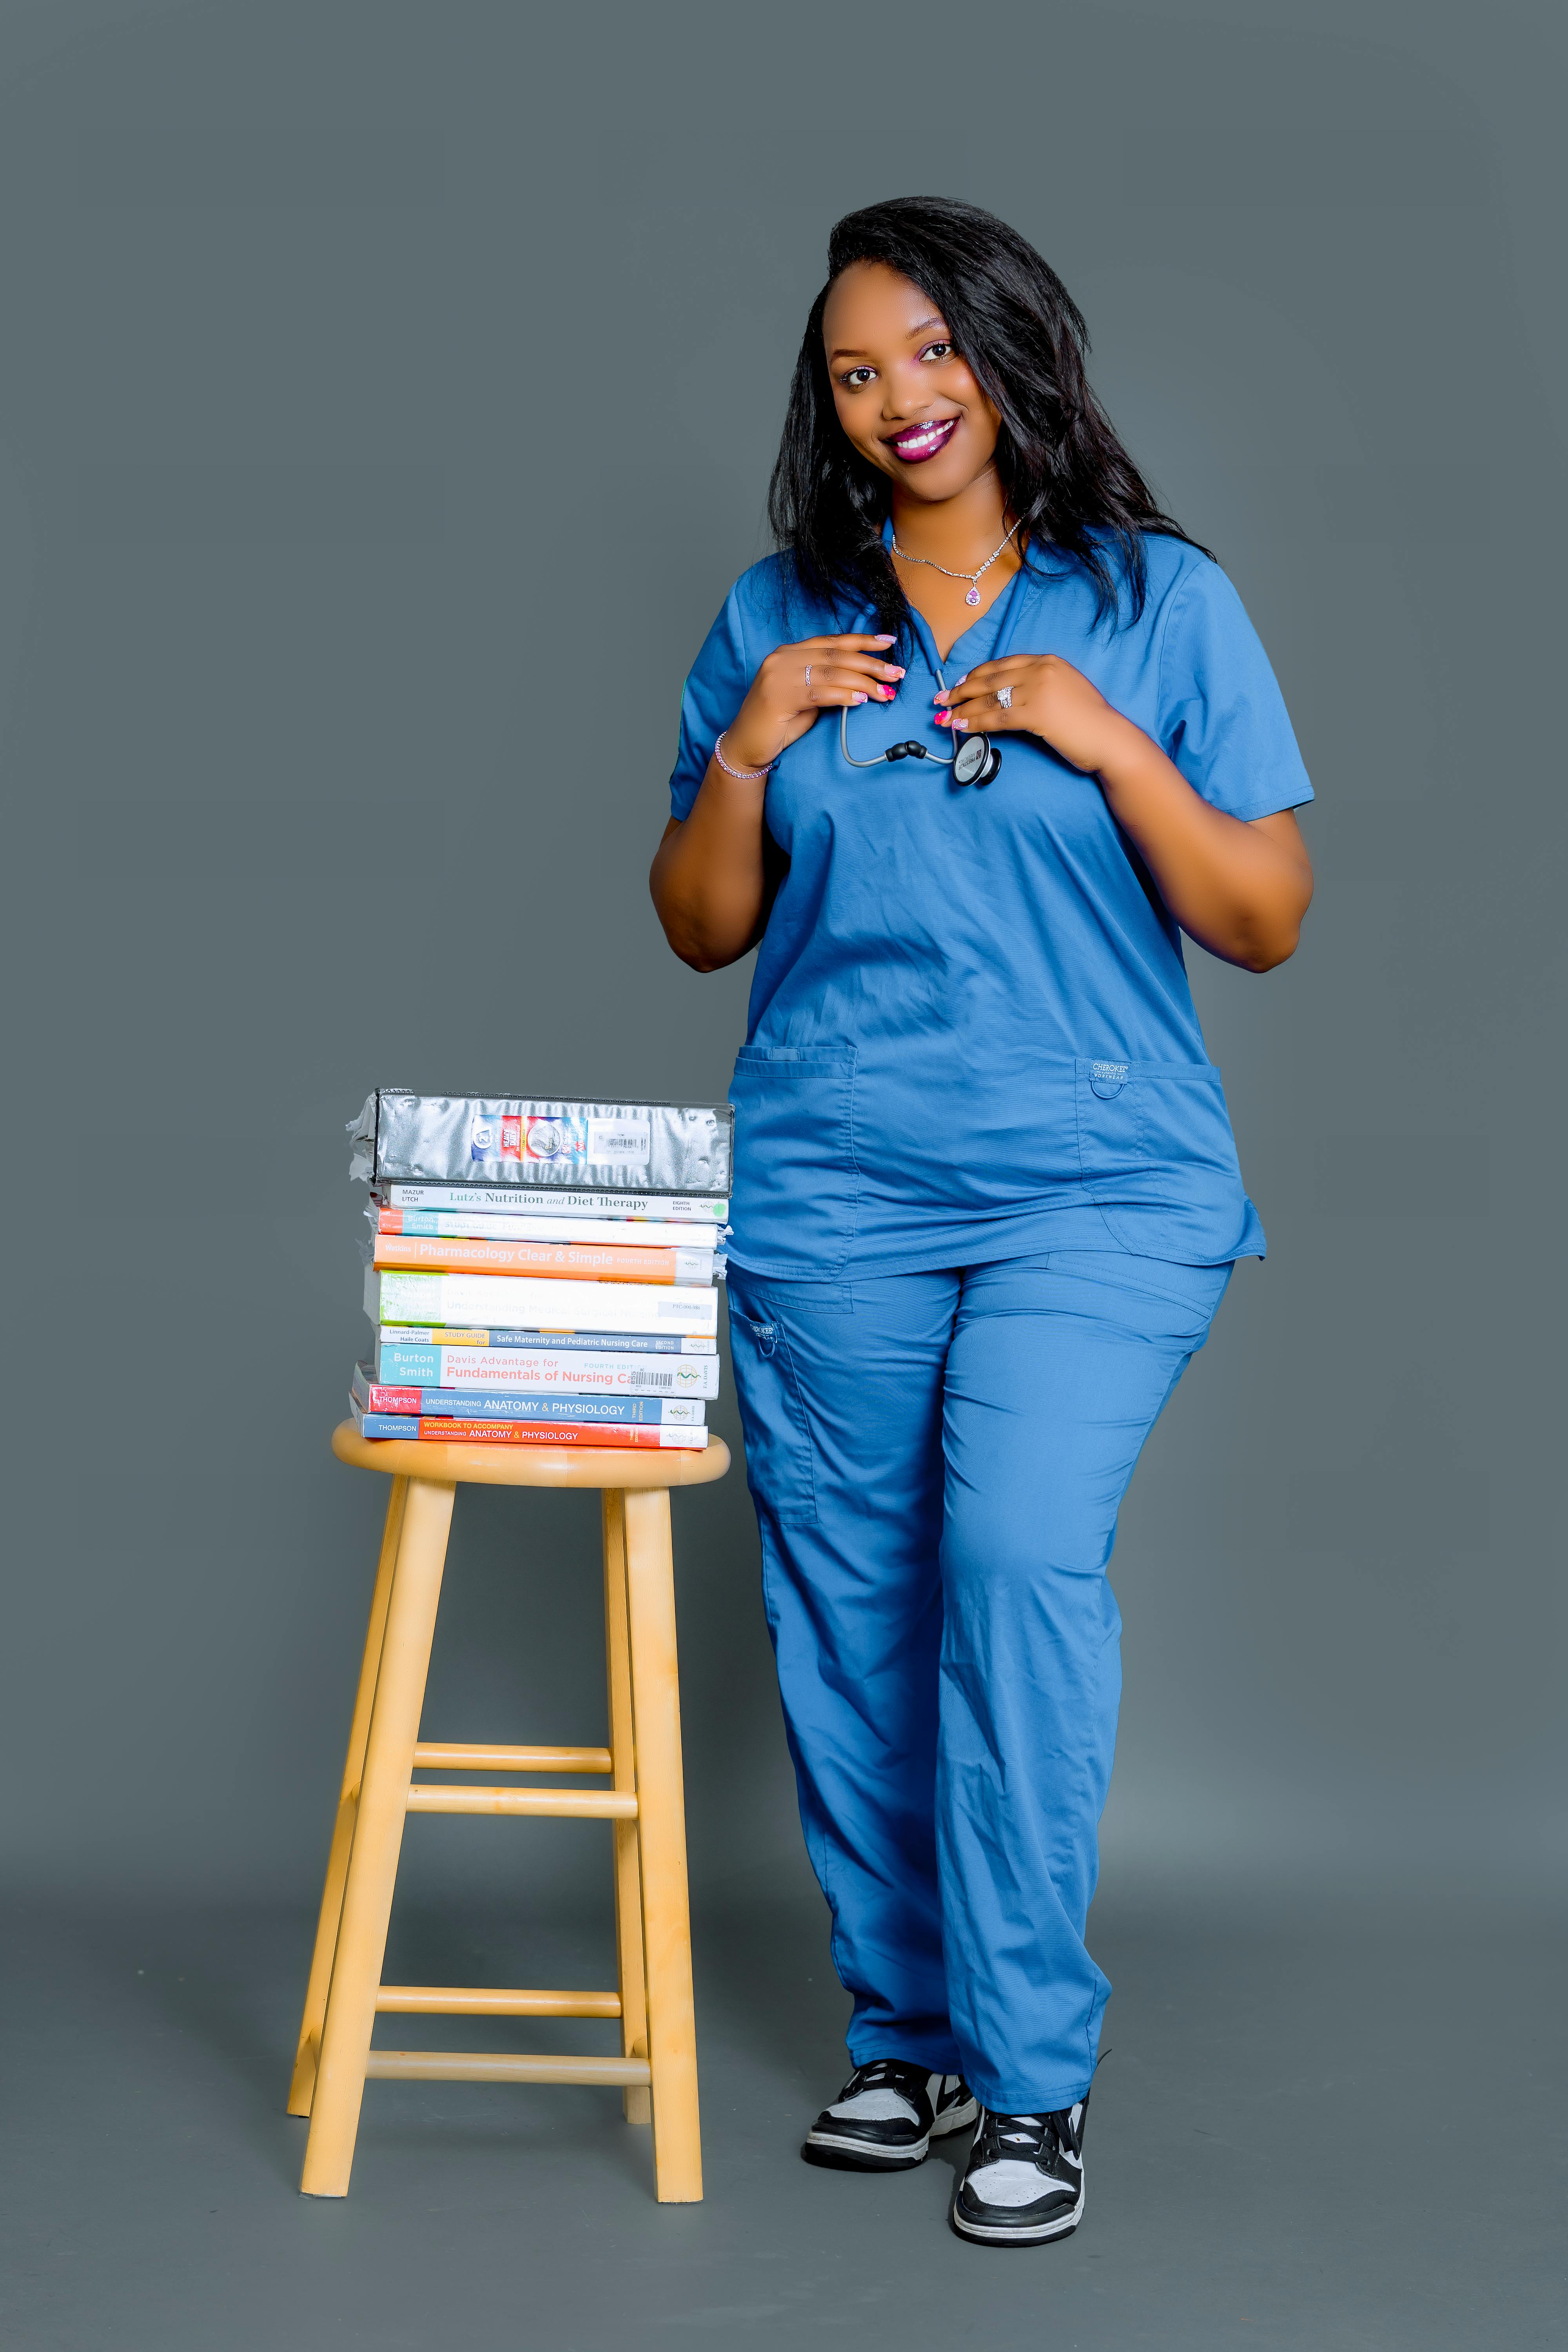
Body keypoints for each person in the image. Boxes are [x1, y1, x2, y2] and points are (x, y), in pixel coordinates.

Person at [650, 195, 1313, 2250]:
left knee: (1015, 1560)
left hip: (1096, 1195)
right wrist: (752, 754)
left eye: (932, 353)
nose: (901, 401)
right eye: (857, 372)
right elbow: (697, 928)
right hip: (829, 1189)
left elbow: (1267, 920)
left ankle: (1032, 2080)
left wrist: (1106, 743)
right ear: (828, 407)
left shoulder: (1160, 604)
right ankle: (907, 2034)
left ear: (1012, 354)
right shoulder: (777, 618)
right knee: (855, 1613)